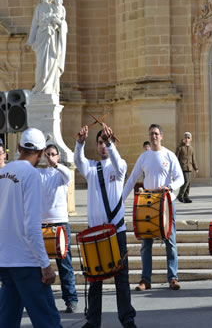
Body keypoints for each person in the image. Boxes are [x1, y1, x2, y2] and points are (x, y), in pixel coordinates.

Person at [75, 123, 136, 328]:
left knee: (121, 278)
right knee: (94, 279)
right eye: (99, 143)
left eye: (105, 142)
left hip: (116, 231)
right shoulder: (91, 168)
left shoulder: (120, 166)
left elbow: (118, 165)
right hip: (96, 233)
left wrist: (111, 144)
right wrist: (79, 143)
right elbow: (78, 161)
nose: (102, 146)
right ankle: (93, 321)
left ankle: (127, 318)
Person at [0, 128, 61, 327]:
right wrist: (45, 265)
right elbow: (32, 226)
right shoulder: (32, 176)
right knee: (48, 320)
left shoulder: (2, 173)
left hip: (5, 261)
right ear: (42, 153)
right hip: (26, 260)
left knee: (7, 319)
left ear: (18, 147)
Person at [122, 124, 184, 292]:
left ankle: (173, 277)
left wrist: (170, 187)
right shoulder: (144, 157)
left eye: (156, 133)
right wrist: (120, 200)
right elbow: (132, 178)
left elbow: (180, 178)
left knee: (170, 241)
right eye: (151, 134)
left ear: (162, 136)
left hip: (166, 203)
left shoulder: (169, 155)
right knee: (146, 243)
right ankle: (145, 279)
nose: (154, 136)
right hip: (148, 204)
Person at [39, 144, 78, 313]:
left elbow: (68, 174)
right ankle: (42, 302)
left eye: (53, 154)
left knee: (65, 265)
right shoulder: (39, 174)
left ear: (58, 155)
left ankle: (71, 299)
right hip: (43, 225)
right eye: (47, 154)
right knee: (40, 266)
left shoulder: (62, 173)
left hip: (60, 223)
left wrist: (55, 164)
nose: (50, 156)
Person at [26, 0, 67, 95]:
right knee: (40, 63)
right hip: (41, 37)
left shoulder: (53, 7)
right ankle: (39, 87)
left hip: (51, 37)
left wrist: (57, 23)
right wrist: (30, 40)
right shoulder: (38, 8)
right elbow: (34, 25)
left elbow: (60, 22)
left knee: (51, 61)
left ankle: (48, 87)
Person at [175, 132, 199, 203]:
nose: (187, 139)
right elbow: (175, 158)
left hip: (189, 167)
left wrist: (196, 168)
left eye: (188, 138)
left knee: (189, 183)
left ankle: (186, 197)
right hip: (182, 167)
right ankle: (180, 195)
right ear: (184, 138)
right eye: (186, 137)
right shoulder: (180, 147)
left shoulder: (191, 148)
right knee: (186, 181)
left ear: (190, 139)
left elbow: (193, 159)